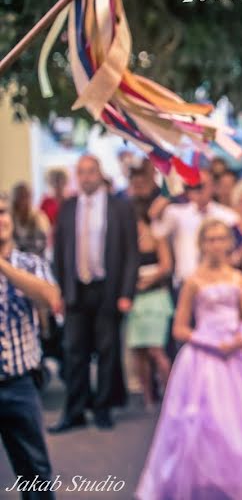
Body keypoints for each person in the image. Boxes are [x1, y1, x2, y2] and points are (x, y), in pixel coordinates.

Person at [135, 220, 242, 499]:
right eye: (211, 239)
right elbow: (180, 328)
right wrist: (211, 343)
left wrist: (241, 337)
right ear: (202, 244)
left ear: (229, 243)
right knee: (207, 422)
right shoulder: (193, 282)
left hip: (237, 356)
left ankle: (241, 478)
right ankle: (207, 479)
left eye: (221, 239)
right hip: (204, 358)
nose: (216, 245)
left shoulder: (239, 279)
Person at [48, 155, 138, 433]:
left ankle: (103, 409)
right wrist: (59, 291)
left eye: (91, 172)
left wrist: (126, 292)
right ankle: (74, 411)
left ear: (100, 174)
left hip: (107, 290)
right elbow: (60, 254)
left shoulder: (119, 207)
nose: (86, 177)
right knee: (74, 352)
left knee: (107, 351)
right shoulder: (68, 207)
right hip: (76, 290)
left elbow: (131, 254)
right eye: (81, 172)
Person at [0, 191, 63, 500]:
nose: (0, 219)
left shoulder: (29, 263)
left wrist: (3, 266)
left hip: (19, 385)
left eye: (2, 212)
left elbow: (49, 298)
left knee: (35, 474)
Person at [152, 170, 238, 298]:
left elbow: (241, 244)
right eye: (193, 185)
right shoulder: (177, 213)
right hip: (186, 282)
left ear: (212, 187)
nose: (197, 189)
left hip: (218, 283)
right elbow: (153, 215)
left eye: (201, 185)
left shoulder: (227, 215)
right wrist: (173, 189)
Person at [125, 199, 173, 409]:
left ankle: (171, 392)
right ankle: (147, 397)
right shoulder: (126, 240)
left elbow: (166, 265)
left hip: (155, 298)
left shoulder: (156, 237)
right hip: (136, 300)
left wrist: (148, 280)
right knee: (139, 351)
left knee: (156, 349)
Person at [11, 183, 50, 257]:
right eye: (20, 196)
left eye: (26, 196)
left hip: (36, 260)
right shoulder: (10, 219)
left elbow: (43, 244)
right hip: (15, 262)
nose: (23, 200)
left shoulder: (39, 217)